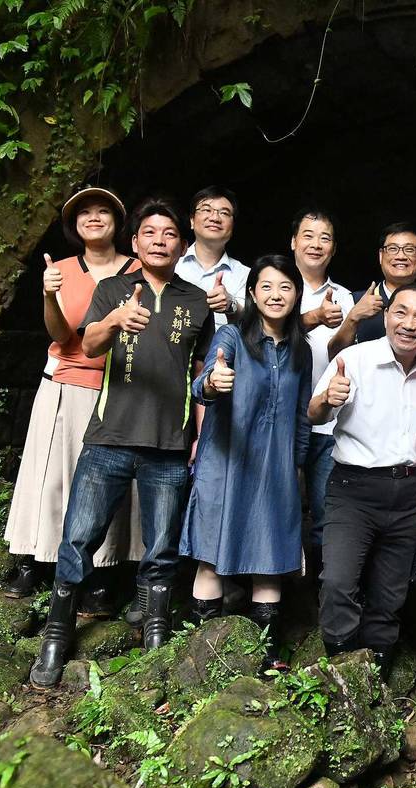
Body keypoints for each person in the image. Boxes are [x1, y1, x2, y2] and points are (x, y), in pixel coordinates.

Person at [29, 198, 214, 688]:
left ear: (181, 244)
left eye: (169, 234)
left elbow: (200, 373)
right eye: (149, 233)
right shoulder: (112, 288)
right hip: (109, 436)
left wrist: (197, 435)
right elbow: (87, 345)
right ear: (135, 243)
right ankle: (56, 633)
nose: (159, 240)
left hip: (169, 445)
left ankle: (155, 636)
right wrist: (114, 320)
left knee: (162, 547)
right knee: (79, 536)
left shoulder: (195, 301)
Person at [4, 186, 143, 615]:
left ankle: (101, 571)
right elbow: (61, 335)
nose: (95, 218)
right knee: (50, 478)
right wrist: (48, 294)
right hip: (67, 381)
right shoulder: (61, 269)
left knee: (110, 484)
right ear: (74, 225)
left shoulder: (140, 269)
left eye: (105, 211)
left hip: (120, 387)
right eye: (86, 213)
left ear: (119, 224)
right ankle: (34, 559)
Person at [180, 255, 312, 674]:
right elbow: (204, 385)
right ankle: (207, 656)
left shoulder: (301, 352)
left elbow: (302, 417)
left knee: (269, 559)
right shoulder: (232, 337)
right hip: (225, 463)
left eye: (286, 287)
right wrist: (213, 383)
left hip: (276, 469)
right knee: (210, 555)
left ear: (296, 297)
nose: (276, 295)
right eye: (267, 286)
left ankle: (264, 657)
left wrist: (297, 469)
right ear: (253, 293)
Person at [309, 284, 416, 675]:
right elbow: (313, 415)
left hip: (409, 489)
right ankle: (341, 663)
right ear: (385, 317)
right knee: (338, 580)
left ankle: (380, 663)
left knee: (391, 587)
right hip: (354, 488)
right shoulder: (353, 359)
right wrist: (327, 399)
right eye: (400, 312)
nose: (409, 324)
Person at [291, 207, 354, 555]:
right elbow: (267, 331)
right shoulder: (275, 287)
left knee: (324, 511)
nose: (316, 244)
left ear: (333, 249)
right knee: (279, 505)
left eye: (325, 238)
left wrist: (351, 321)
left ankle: (318, 594)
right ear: (293, 242)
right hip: (283, 418)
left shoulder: (343, 297)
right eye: (308, 236)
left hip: (328, 423)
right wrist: (313, 317)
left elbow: (343, 355)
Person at [326, 222, 416, 361]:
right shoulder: (354, 301)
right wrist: (353, 318)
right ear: (381, 255)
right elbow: (333, 355)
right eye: (393, 249)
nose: (401, 256)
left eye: (409, 249)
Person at [175, 186, 249, 327]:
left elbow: (253, 324)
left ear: (232, 225)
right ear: (192, 220)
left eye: (224, 213)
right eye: (206, 210)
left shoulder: (245, 275)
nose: (215, 218)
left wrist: (231, 305)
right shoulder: (171, 264)